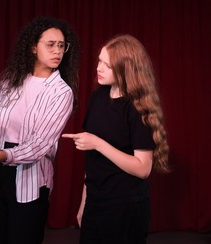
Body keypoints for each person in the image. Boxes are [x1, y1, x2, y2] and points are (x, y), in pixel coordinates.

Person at [0, 16, 79, 244]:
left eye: (61, 45)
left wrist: (1, 155)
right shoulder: (11, 80)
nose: (57, 51)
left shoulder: (61, 92)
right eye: (50, 44)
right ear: (32, 47)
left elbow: (39, 145)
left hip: (29, 179)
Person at [62, 34, 170, 244]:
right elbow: (92, 160)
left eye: (107, 65)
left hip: (125, 206)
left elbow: (143, 168)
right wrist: (85, 201)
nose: (99, 68)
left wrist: (98, 143)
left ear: (125, 69)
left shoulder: (138, 108)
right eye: (100, 61)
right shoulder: (97, 98)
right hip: (96, 201)